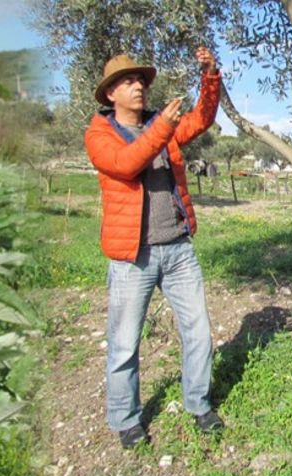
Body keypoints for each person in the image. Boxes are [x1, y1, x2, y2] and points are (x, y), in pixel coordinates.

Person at [84, 47, 224, 449]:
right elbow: (128, 163)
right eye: (128, 81)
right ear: (110, 93)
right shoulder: (99, 135)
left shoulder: (160, 124)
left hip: (178, 249)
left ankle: (198, 404)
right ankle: (126, 420)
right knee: (125, 343)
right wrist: (162, 126)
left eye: (141, 80)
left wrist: (210, 75)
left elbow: (202, 118)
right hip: (133, 257)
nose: (139, 86)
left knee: (199, 331)